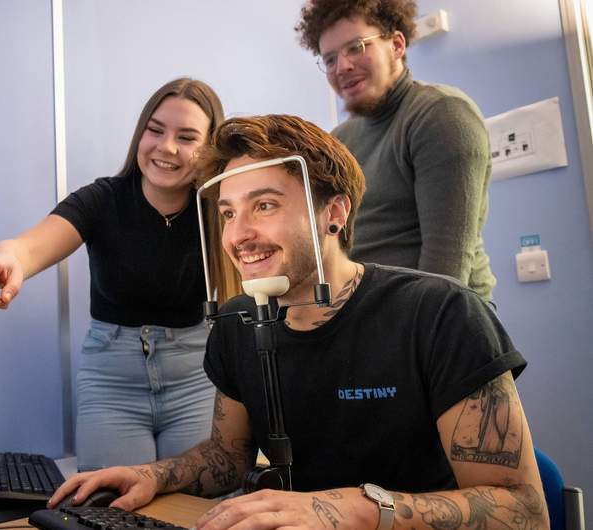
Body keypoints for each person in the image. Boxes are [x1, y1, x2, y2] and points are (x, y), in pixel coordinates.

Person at [47, 115, 547, 530]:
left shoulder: (439, 313)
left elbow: (525, 510)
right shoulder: (239, 323)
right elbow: (228, 457)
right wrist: (154, 475)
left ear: (334, 213)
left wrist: (356, 508)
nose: (239, 235)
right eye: (227, 213)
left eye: (264, 205)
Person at [0, 78, 225, 471]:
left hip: (196, 379)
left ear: (208, 148)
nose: (166, 147)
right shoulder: (103, 199)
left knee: (200, 508)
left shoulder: (220, 209)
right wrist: (4, 260)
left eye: (187, 137)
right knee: (109, 506)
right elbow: (27, 248)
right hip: (111, 383)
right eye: (155, 130)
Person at [295, 0, 497, 302]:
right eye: (330, 59)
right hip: (372, 312)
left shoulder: (441, 114)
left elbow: (446, 273)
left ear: (397, 45)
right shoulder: (340, 140)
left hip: (440, 318)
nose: (343, 67)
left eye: (356, 47)